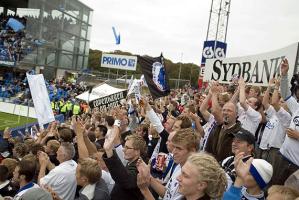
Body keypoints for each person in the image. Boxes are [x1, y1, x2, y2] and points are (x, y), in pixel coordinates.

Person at [272, 58, 299, 184]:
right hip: (281, 157)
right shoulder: (297, 107)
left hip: (296, 166)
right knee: (272, 190)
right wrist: (284, 75)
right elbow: (285, 93)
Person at [102, 125, 146, 200]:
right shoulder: (131, 162)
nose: (123, 150)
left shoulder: (139, 167)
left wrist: (109, 151)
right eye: (124, 146)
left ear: (137, 151)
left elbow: (125, 179)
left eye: (127, 147)